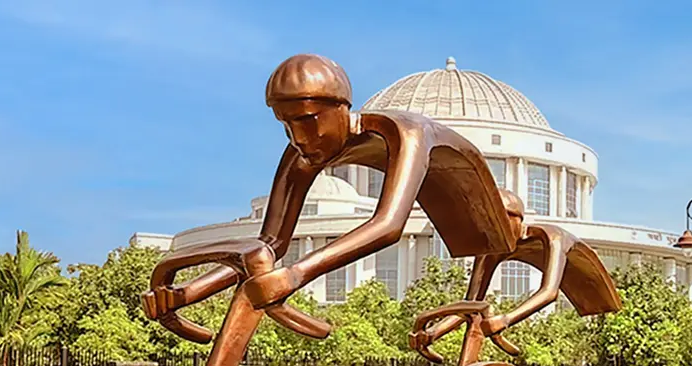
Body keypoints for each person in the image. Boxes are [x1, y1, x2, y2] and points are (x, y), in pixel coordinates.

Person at [142, 54, 517, 335]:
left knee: (496, 257)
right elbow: (269, 245)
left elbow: (387, 225)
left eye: (308, 120)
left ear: (341, 109)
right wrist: (187, 293)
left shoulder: (403, 133)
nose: (299, 138)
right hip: (450, 213)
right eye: (286, 125)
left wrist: (296, 276)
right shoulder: (299, 156)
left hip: (485, 216)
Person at [411, 189, 620, 356]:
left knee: (482, 317)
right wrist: (433, 333)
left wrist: (505, 319)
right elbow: (470, 305)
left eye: (499, 221)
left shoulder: (551, 237)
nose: (494, 229)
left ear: (517, 219)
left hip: (589, 281)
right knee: (476, 316)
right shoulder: (493, 249)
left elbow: (549, 293)